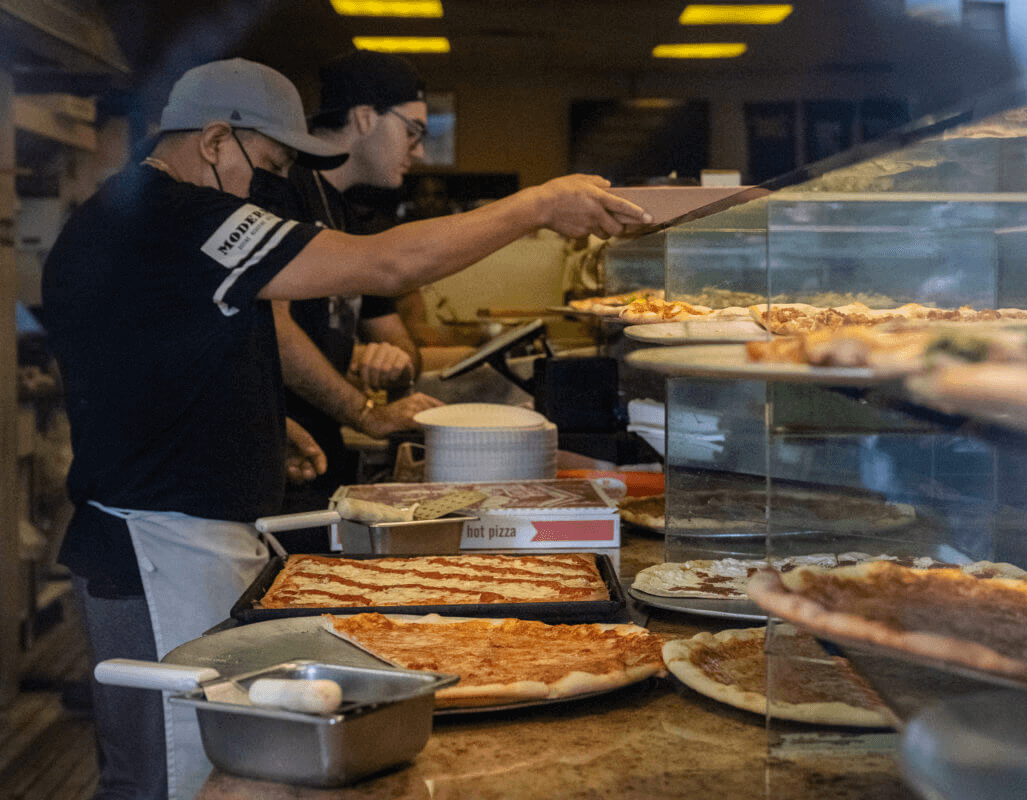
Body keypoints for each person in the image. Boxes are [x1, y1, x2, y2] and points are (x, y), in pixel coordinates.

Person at [40, 57, 649, 800]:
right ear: (214, 141)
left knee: (208, 768)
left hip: (186, 529)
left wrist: (264, 424)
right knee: (169, 778)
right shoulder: (169, 215)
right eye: (264, 164)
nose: (264, 186)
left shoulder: (151, 216)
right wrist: (537, 207)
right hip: (158, 542)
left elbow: (183, 344)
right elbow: (385, 265)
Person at [268, 51, 444, 524]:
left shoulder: (348, 215)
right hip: (278, 471)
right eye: (413, 131)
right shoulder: (283, 191)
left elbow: (399, 339)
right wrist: (366, 412)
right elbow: (274, 329)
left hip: (325, 465)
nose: (419, 151)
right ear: (365, 117)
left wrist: (396, 363)